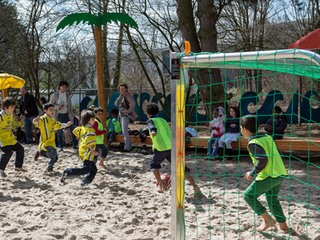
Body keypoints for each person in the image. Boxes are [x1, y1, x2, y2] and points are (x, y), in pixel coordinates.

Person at [240, 115, 289, 232]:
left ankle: (268, 220)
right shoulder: (267, 136)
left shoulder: (253, 142)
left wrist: (252, 173)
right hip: (280, 173)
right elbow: (279, 152)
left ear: (244, 129)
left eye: (240, 128)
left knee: (248, 196)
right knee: (272, 199)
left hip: (268, 176)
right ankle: (283, 225)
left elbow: (262, 159)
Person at [146, 102, 201, 194]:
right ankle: (195, 187)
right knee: (181, 167)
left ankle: (161, 185)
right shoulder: (163, 120)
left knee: (153, 165)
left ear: (147, 114)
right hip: (172, 147)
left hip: (160, 148)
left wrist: (153, 131)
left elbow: (152, 127)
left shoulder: (150, 120)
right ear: (158, 113)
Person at [60, 110, 99, 186]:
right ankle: (68, 172)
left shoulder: (82, 128)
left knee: (93, 169)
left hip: (82, 151)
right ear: (87, 120)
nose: (94, 121)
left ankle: (85, 182)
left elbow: (75, 131)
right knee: (86, 169)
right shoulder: (90, 129)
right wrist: (93, 151)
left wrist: (78, 136)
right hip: (88, 152)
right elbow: (89, 141)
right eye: (92, 119)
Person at [33, 103, 72, 172]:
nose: (52, 111)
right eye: (50, 110)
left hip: (52, 142)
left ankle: (49, 167)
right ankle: (42, 153)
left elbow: (59, 125)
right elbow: (36, 124)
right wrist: (35, 121)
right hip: (45, 142)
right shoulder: (43, 118)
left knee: (55, 157)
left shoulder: (52, 120)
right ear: (45, 110)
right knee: (53, 154)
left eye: (53, 110)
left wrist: (66, 124)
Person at [0, 97, 26, 177]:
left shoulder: (11, 115)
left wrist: (13, 129)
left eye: (14, 107)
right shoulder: (1, 115)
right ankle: (1, 169)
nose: (13, 109)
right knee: (8, 152)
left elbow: (10, 126)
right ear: (5, 107)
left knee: (20, 149)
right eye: (11, 107)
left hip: (10, 138)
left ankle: (18, 167)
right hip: (2, 139)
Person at [50, 80, 78, 151]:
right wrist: (58, 107)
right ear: (59, 87)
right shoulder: (55, 95)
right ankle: (60, 146)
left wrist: (72, 114)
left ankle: (75, 145)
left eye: (65, 86)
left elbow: (70, 106)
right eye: (63, 86)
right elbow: (50, 105)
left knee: (73, 128)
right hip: (58, 114)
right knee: (59, 130)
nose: (64, 88)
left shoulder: (67, 94)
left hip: (67, 114)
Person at [114, 84, 137, 152]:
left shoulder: (128, 96)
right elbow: (116, 104)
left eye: (123, 89)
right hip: (121, 116)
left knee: (125, 132)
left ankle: (127, 147)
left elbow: (133, 104)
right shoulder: (121, 96)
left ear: (126, 89)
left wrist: (127, 111)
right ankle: (128, 147)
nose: (122, 90)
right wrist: (120, 97)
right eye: (120, 89)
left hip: (125, 116)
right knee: (125, 131)